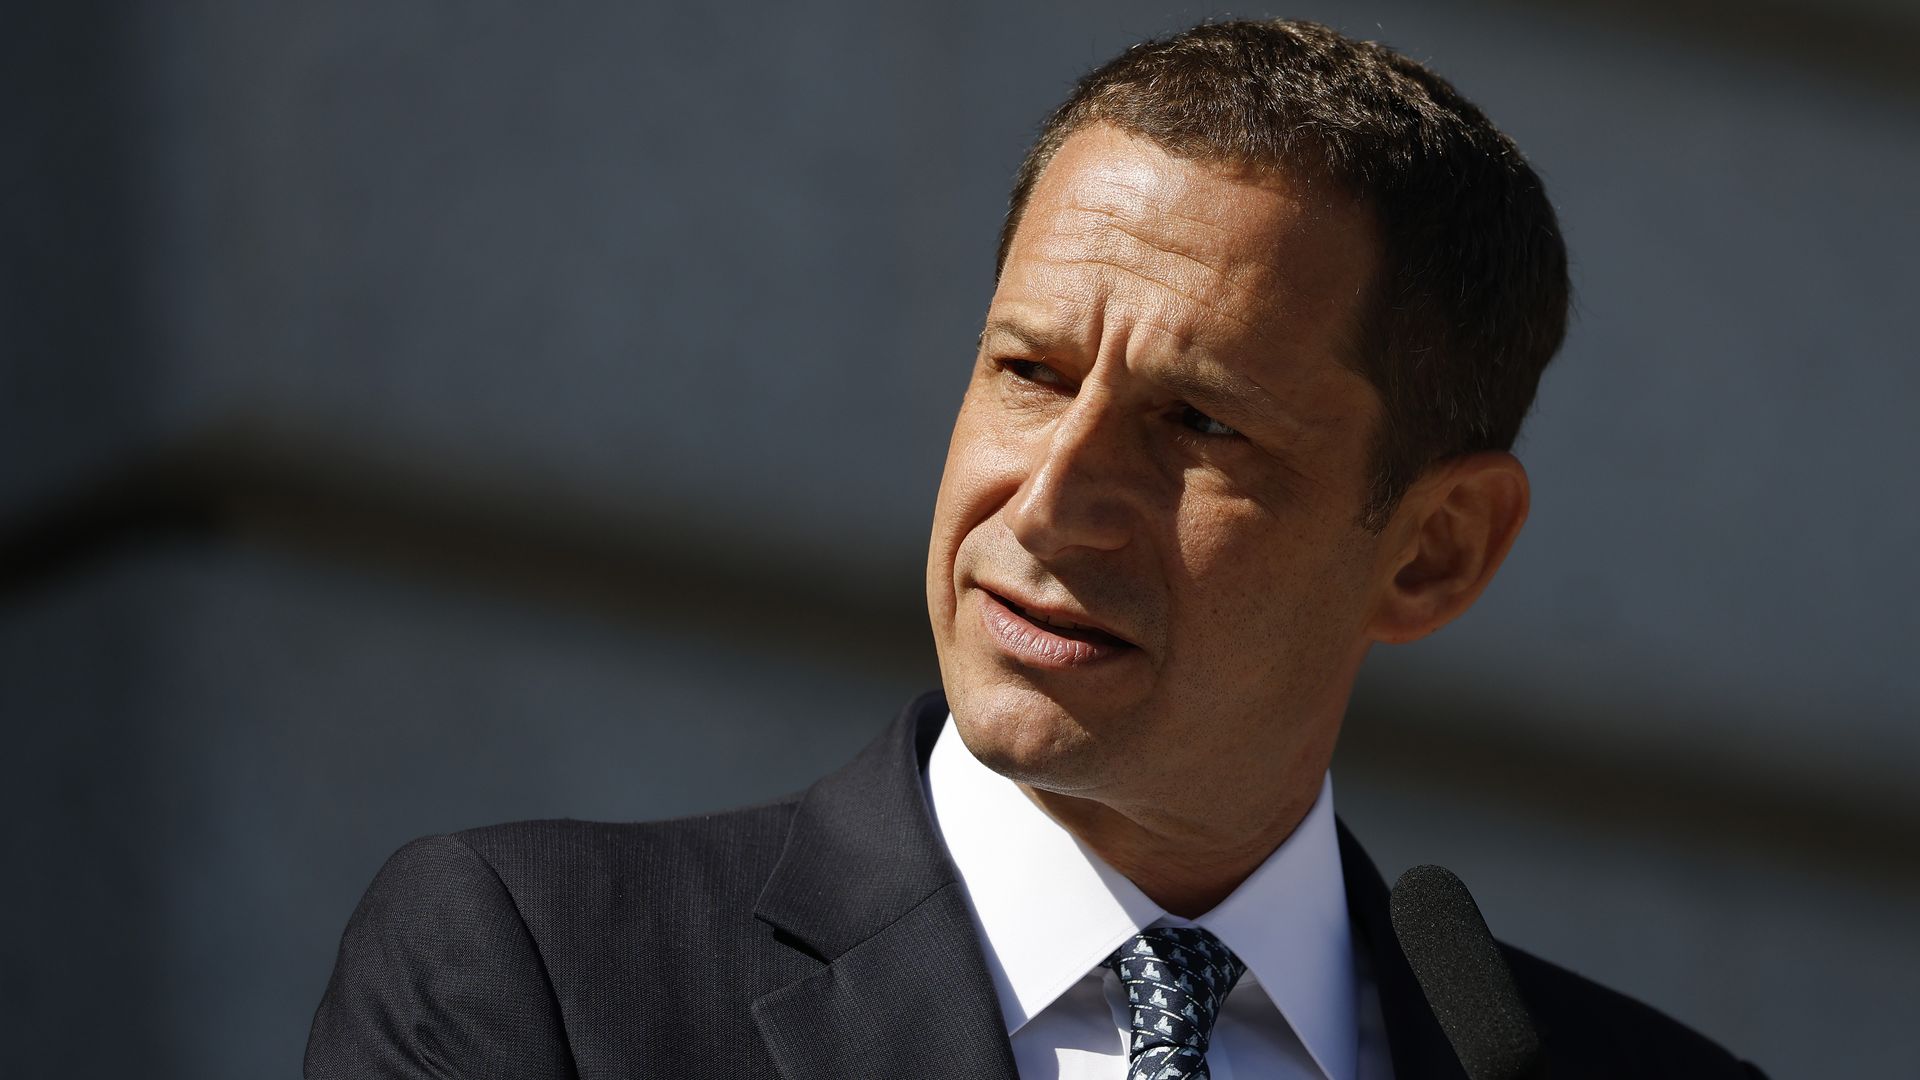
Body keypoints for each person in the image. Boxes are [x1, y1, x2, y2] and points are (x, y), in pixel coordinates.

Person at [308, 19, 1766, 1079]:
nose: (1052, 502)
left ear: (1437, 551)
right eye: (1029, 371)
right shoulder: (546, 978)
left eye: (1198, 423)